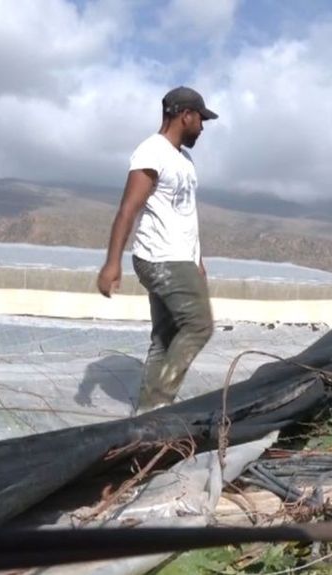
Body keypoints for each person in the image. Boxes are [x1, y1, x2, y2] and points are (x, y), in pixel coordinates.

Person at [97, 86, 218, 414]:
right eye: (200, 120)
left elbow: (184, 213)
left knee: (165, 337)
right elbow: (128, 209)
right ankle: (160, 402)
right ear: (185, 115)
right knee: (199, 325)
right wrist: (112, 263)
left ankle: (147, 414)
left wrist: (199, 260)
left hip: (181, 257)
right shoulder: (151, 151)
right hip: (160, 257)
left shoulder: (184, 159)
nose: (203, 127)